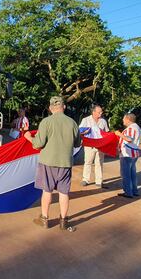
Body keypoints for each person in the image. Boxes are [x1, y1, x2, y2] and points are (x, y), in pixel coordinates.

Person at [24, 96, 81, 231]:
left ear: (50, 108)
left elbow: (38, 144)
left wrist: (28, 137)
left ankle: (44, 219)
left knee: (47, 191)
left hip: (48, 162)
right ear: (64, 107)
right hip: (65, 163)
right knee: (64, 192)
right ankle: (63, 221)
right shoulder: (72, 123)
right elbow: (78, 143)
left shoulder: (46, 122)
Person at [79, 104, 109, 188]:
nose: (101, 113)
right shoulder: (86, 120)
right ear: (93, 112)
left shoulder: (103, 121)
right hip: (89, 145)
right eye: (99, 112)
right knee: (88, 162)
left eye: (101, 112)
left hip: (100, 146)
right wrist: (84, 132)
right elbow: (80, 131)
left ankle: (99, 181)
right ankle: (85, 179)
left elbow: (106, 132)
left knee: (99, 163)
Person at [115, 113, 141, 199]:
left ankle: (128, 192)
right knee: (132, 173)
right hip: (133, 154)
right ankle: (134, 191)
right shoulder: (136, 127)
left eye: (124, 119)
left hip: (127, 154)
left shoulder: (131, 128)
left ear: (128, 119)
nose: (123, 120)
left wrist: (119, 134)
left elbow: (129, 139)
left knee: (126, 174)